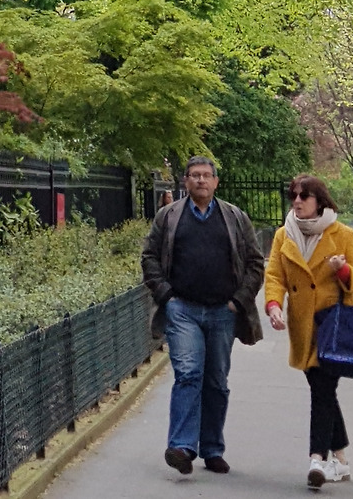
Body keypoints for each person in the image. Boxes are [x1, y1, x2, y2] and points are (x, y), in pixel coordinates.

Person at [141, 156, 265, 476]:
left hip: (223, 310)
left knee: (216, 380)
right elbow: (149, 257)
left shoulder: (234, 217)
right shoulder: (169, 217)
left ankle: (212, 448)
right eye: (194, 175)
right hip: (182, 309)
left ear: (215, 182)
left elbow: (255, 263)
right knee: (188, 373)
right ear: (185, 181)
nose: (201, 180)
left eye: (206, 175)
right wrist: (166, 296)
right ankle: (182, 447)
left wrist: (238, 301)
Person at [264, 174, 353, 488]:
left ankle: (317, 460)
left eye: (304, 196)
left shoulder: (342, 234)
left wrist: (342, 270)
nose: (297, 202)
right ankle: (341, 460)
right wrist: (273, 305)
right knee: (324, 391)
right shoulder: (284, 235)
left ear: (319, 201)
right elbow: (275, 275)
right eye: (293, 196)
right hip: (302, 326)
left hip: (332, 326)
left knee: (322, 391)